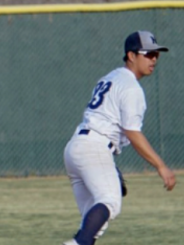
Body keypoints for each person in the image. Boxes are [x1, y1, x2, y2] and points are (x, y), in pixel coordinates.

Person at [62, 30, 177, 245]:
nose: (154, 59)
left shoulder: (111, 77)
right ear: (131, 56)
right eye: (148, 54)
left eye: (156, 54)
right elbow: (133, 133)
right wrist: (161, 166)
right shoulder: (131, 88)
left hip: (76, 148)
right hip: (94, 147)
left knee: (92, 226)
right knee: (110, 202)